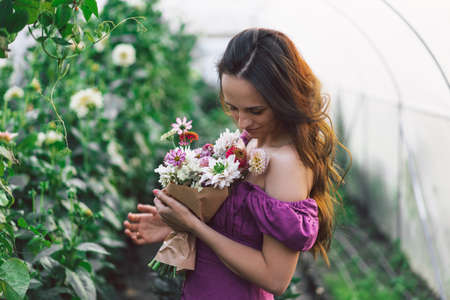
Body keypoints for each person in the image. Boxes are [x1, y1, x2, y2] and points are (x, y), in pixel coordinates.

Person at [124, 28, 348, 299]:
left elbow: (275, 278)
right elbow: (238, 231)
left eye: (256, 111)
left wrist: (196, 227)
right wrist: (177, 224)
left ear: (286, 98)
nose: (242, 122)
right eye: (232, 107)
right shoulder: (250, 141)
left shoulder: (288, 164)